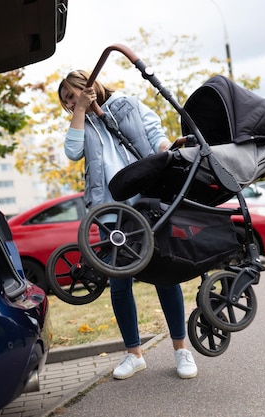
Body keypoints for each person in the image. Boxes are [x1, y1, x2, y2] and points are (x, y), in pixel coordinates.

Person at [58, 70, 198, 380]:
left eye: (73, 94)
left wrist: (168, 151)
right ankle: (134, 354)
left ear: (89, 84)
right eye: (66, 100)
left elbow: (153, 132)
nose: (70, 102)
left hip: (146, 202)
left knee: (164, 274)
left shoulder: (126, 104)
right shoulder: (81, 123)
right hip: (110, 210)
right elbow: (71, 151)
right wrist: (80, 110)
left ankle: (181, 350)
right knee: (119, 281)